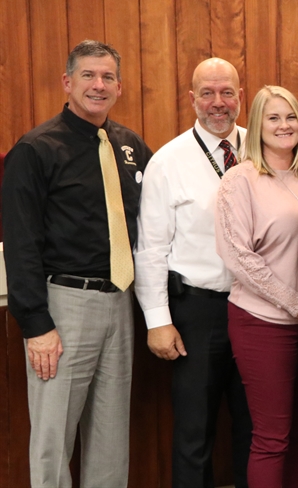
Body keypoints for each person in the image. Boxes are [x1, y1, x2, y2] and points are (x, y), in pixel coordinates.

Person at [2, 40, 152, 487]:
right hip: (63, 308)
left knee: (111, 438)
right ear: (68, 82)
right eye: (88, 75)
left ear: (120, 87)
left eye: (107, 77)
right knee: (53, 439)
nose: (98, 85)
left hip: (120, 304)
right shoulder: (36, 149)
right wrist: (36, 326)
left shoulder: (130, 146)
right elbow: (21, 242)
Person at [134, 58, 252, 488]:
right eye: (207, 93)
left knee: (256, 429)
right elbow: (150, 249)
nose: (217, 103)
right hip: (198, 313)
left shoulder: (263, 148)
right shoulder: (169, 161)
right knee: (193, 433)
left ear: (241, 95)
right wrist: (158, 321)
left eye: (226, 93)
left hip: (259, 310)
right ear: (192, 99)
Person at [215, 86, 298, 487]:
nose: (285, 126)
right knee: (271, 438)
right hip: (261, 322)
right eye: (273, 118)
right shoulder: (239, 180)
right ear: (257, 126)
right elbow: (239, 257)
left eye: (291, 117)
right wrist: (295, 302)